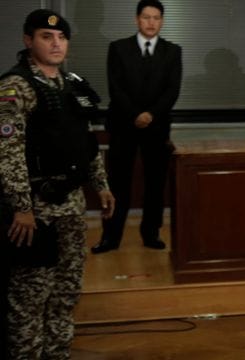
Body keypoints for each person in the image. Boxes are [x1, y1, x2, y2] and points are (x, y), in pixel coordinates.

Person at [0, 9, 115, 358]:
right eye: (46, 37)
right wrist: (22, 207)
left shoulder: (73, 86)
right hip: (36, 210)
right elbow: (8, 151)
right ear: (28, 41)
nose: (56, 43)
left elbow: (87, 143)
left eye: (62, 37)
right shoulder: (15, 87)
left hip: (71, 205)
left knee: (66, 290)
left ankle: (58, 353)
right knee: (30, 295)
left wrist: (102, 184)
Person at [92, 0, 182, 254]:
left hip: (157, 127)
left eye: (156, 18)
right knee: (118, 184)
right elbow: (115, 88)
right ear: (137, 20)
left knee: (155, 184)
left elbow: (172, 90)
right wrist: (136, 114)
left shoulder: (172, 51)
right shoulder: (118, 48)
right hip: (123, 125)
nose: (151, 22)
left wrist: (151, 114)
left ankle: (151, 233)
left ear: (162, 21)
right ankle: (110, 237)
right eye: (146, 17)